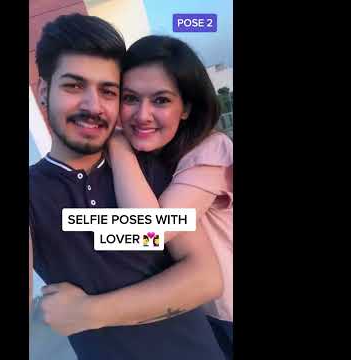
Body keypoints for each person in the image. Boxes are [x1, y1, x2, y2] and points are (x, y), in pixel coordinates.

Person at [29, 14, 225, 360]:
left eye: (108, 91)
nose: (93, 106)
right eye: (74, 86)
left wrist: (89, 311)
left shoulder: (164, 164)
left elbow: (201, 275)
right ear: (43, 92)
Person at [109, 35, 234, 360]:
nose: (142, 114)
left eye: (161, 100)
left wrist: (118, 144)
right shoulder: (157, 157)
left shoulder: (210, 151)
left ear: (186, 108)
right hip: (202, 315)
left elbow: (148, 231)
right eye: (130, 98)